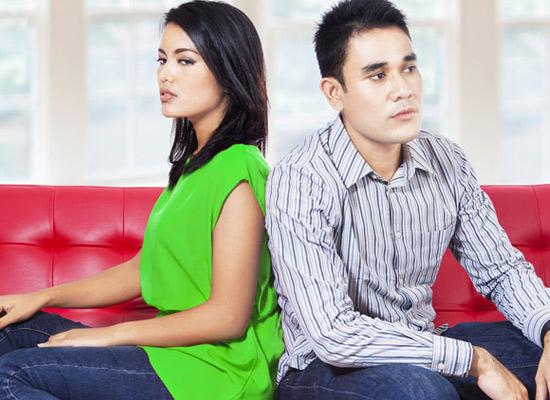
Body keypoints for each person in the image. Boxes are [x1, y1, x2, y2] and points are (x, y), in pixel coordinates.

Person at [266, 1, 550, 399]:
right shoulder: (302, 178)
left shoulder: (446, 160)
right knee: (420, 391)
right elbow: (333, 333)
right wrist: (475, 360)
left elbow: (501, 270)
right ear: (334, 93)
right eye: (378, 75)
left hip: (422, 346)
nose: (403, 89)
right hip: (326, 368)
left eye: (409, 68)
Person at [0, 1, 283, 399]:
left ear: (228, 71)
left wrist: (109, 335)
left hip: (214, 371)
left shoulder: (239, 168)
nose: (165, 74)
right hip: (168, 355)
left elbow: (227, 317)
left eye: (185, 61)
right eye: (162, 59)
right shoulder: (195, 167)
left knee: (11, 375)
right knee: (10, 333)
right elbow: (142, 270)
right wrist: (40, 296)